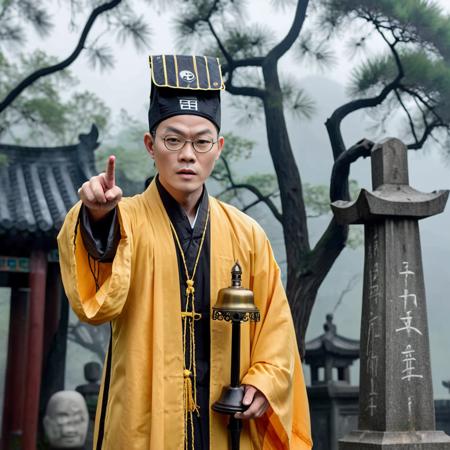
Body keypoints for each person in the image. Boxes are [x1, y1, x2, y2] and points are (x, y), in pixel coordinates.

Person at [58, 55, 312, 450]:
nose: (188, 154)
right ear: (150, 145)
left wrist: (263, 381)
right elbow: (96, 305)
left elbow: (276, 329)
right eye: (172, 140)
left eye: (201, 141)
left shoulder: (247, 235)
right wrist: (97, 218)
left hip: (228, 426)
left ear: (219, 147)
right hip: (144, 420)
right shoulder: (123, 219)